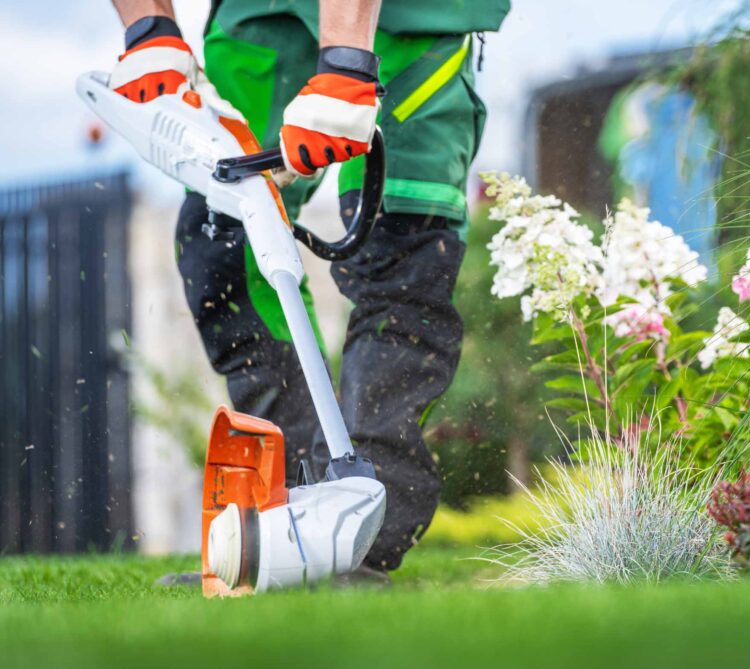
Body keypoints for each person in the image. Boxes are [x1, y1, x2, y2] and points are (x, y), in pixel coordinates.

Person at [108, 0, 509, 577]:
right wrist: (148, 28)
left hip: (410, 19)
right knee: (223, 241)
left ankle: (355, 545)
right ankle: (288, 522)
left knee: (402, 249)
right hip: (262, 17)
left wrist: (346, 61)